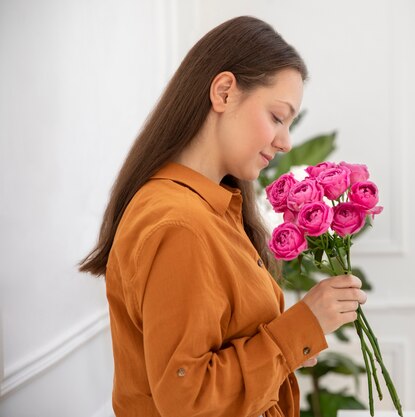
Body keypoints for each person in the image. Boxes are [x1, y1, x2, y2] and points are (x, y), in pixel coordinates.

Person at [79, 15, 367, 417]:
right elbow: (189, 401)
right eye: (277, 117)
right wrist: (301, 328)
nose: (285, 141)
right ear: (225, 92)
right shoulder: (180, 226)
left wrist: (287, 351)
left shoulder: (210, 209)